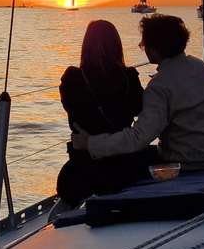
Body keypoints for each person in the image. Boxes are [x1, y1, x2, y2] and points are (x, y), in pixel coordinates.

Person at [71, 14, 204, 171]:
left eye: (143, 44)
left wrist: (90, 143)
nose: (143, 48)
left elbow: (139, 137)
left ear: (154, 50)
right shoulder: (203, 68)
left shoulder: (160, 86)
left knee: (124, 162)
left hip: (186, 163)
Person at [51, 20, 150, 221]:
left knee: (60, 210)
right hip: (123, 167)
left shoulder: (72, 79)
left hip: (83, 169)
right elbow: (140, 108)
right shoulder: (129, 78)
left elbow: (69, 107)